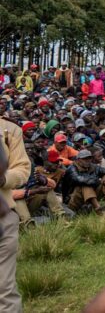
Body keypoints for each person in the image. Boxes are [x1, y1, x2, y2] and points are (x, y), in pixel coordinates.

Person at [0, 117, 31, 312]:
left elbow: (22, 169)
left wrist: (3, 178)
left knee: (4, 288)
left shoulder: (9, 130)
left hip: (3, 218)